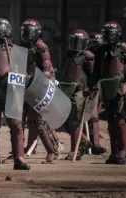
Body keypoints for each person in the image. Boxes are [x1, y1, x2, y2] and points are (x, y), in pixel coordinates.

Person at [0, 18, 30, 170]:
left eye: (2, 29)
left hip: (12, 92)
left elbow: (24, 74)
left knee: (16, 125)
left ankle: (19, 158)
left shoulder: (17, 50)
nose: (0, 32)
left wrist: (16, 75)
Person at [20, 19, 60, 162]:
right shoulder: (23, 46)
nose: (28, 35)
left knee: (38, 122)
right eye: (26, 32)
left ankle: (51, 150)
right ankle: (29, 147)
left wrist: (32, 80)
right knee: (28, 121)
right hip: (25, 87)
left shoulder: (41, 48)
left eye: (30, 32)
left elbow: (47, 71)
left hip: (39, 88)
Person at [92, 21, 126, 164]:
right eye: (106, 34)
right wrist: (92, 87)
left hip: (121, 88)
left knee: (120, 121)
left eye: (112, 34)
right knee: (111, 122)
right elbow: (96, 72)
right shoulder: (100, 50)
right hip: (107, 88)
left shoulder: (123, 49)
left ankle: (123, 152)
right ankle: (114, 152)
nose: (109, 37)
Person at [61, 29, 93, 161]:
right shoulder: (68, 54)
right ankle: (85, 142)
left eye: (79, 42)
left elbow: (92, 75)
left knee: (75, 120)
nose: (76, 45)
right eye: (75, 41)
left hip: (80, 90)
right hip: (67, 88)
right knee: (63, 120)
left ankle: (75, 150)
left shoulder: (88, 56)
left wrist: (90, 89)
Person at [86, 32, 106, 155]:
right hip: (88, 88)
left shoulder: (103, 54)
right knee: (90, 118)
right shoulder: (86, 54)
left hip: (100, 88)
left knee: (94, 118)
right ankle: (90, 144)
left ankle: (94, 144)